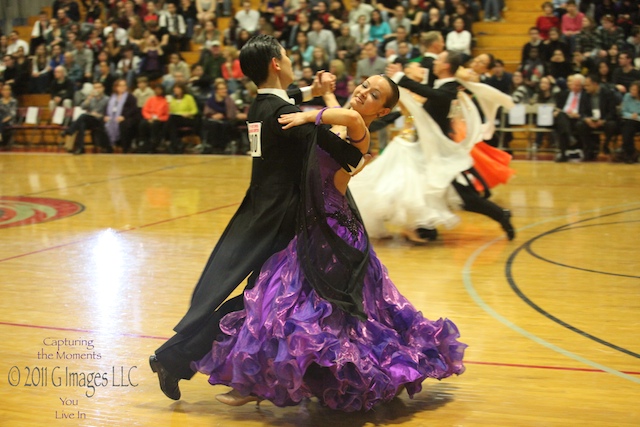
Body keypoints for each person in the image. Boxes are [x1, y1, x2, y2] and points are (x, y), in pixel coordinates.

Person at [191, 61, 466, 413]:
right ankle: (259, 381)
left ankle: (303, 380)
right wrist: (323, 92)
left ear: (381, 111)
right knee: (275, 303)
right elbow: (342, 112)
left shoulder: (359, 132)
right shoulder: (342, 119)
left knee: (322, 316)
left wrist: (310, 115)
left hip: (335, 234)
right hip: (311, 228)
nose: (363, 92)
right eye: (364, 84)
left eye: (374, 94)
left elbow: (349, 119)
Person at [149, 35, 367, 401]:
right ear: (276, 63)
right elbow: (350, 157)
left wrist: (309, 90)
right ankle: (179, 359)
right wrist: (352, 120)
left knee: (260, 301)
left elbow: (283, 98)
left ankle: (180, 359)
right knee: (257, 302)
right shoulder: (289, 117)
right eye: (286, 54)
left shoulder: (259, 106)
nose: (291, 59)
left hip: (261, 212)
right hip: (283, 224)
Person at [64, 81, 109, 154]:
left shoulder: (107, 99)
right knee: (82, 124)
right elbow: (82, 106)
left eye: (98, 87)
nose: (97, 89)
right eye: (95, 88)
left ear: (103, 88)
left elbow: (108, 114)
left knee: (83, 117)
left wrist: (99, 115)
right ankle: (81, 148)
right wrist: (89, 98)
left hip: (100, 121)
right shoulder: (92, 98)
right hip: (90, 119)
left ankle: (70, 130)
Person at [104, 79, 138, 153]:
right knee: (103, 123)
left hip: (127, 117)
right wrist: (106, 116)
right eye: (120, 85)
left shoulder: (130, 97)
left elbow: (133, 109)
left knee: (123, 124)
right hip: (112, 117)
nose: (123, 87)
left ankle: (125, 147)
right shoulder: (112, 97)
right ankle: (108, 147)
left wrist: (124, 116)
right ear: (116, 87)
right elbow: (106, 108)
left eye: (124, 85)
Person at [137, 85, 169, 153]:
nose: (158, 91)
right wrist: (149, 117)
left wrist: (159, 118)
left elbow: (166, 115)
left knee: (155, 125)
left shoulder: (165, 101)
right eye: (156, 89)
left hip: (159, 120)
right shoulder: (151, 99)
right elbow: (145, 110)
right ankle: (143, 142)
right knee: (142, 124)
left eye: (159, 89)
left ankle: (153, 144)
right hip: (149, 118)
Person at [618, 80, 640, 164]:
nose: (631, 91)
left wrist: (637, 117)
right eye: (631, 89)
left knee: (628, 127)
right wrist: (631, 116)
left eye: (634, 90)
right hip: (628, 120)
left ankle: (629, 152)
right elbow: (623, 111)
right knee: (628, 126)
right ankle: (631, 153)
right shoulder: (627, 96)